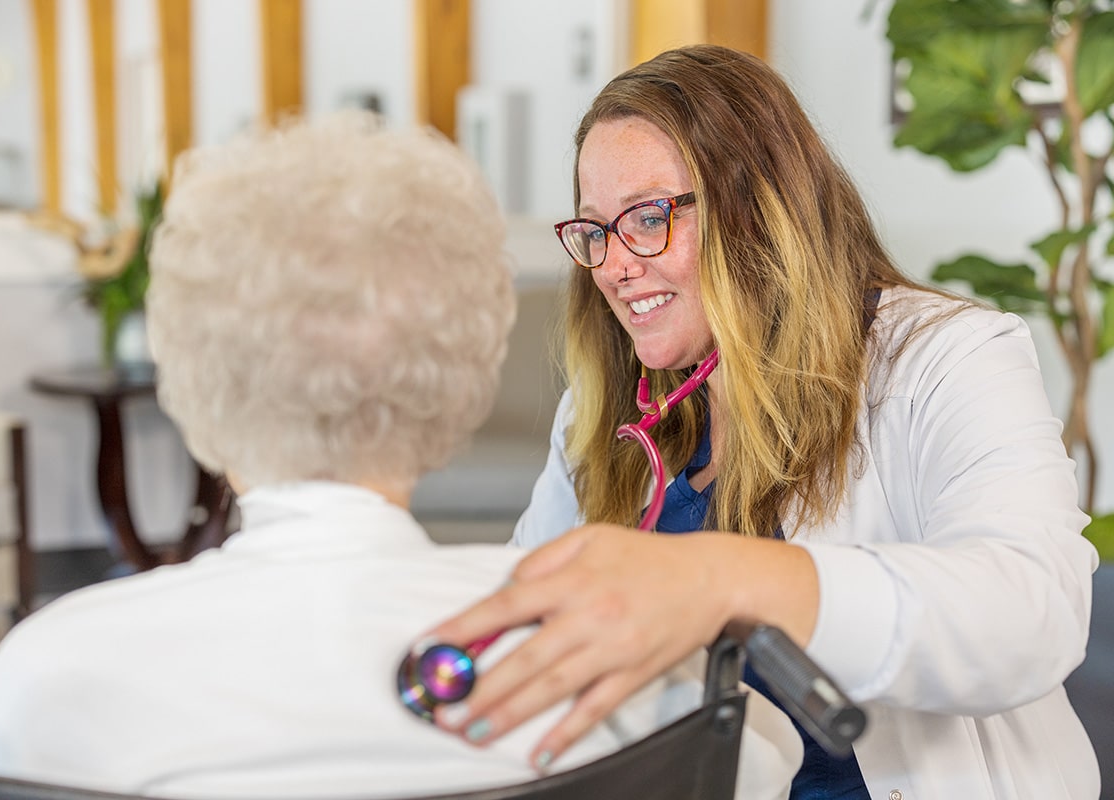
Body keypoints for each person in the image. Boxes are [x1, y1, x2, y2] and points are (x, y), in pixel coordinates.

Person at [0, 111, 802, 799]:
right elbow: (766, 765)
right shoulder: (627, 659)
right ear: (461, 379)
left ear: (192, 386)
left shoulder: (54, 670)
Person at [425, 45, 1102, 799]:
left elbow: (1032, 615)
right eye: (595, 230)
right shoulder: (605, 410)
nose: (615, 265)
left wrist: (728, 579)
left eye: (649, 217)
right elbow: (528, 614)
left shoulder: (946, 357)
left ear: (759, 209)